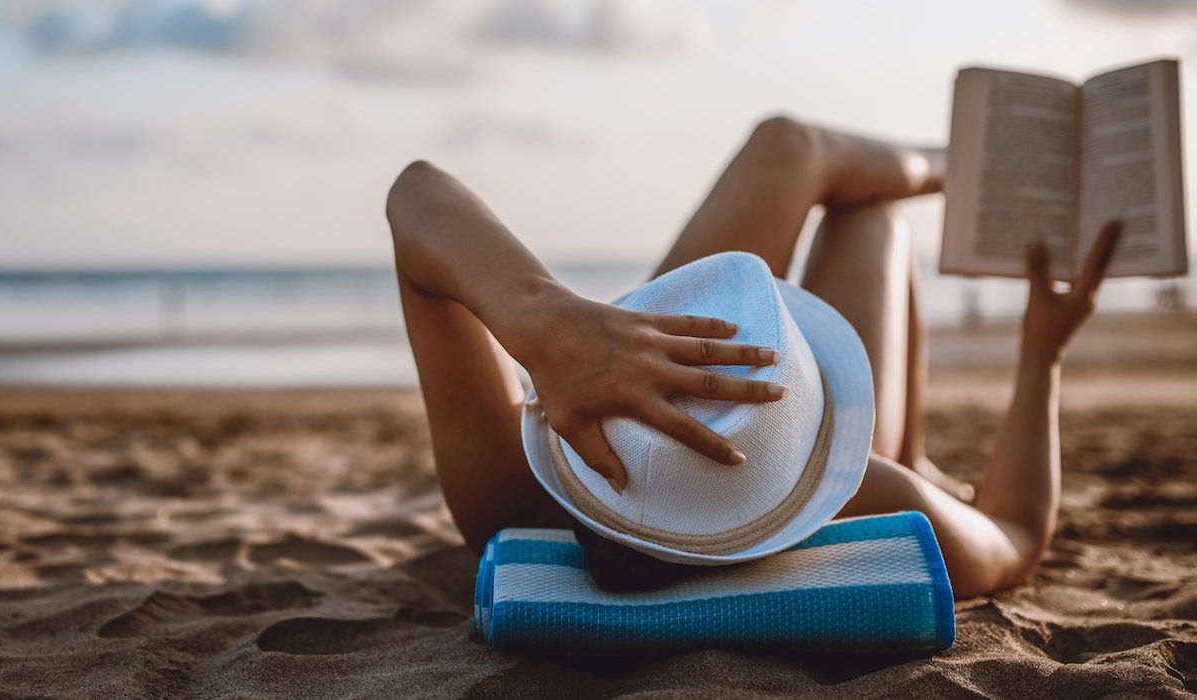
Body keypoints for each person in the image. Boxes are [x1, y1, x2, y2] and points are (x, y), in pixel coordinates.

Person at [384, 115, 1120, 598]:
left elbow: (416, 194)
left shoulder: (515, 499)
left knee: (787, 148)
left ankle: (959, 165)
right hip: (871, 474)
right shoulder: (875, 502)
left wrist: (543, 317)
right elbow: (1017, 532)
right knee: (869, 217)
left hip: (627, 414)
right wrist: (1042, 353)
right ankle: (965, 168)